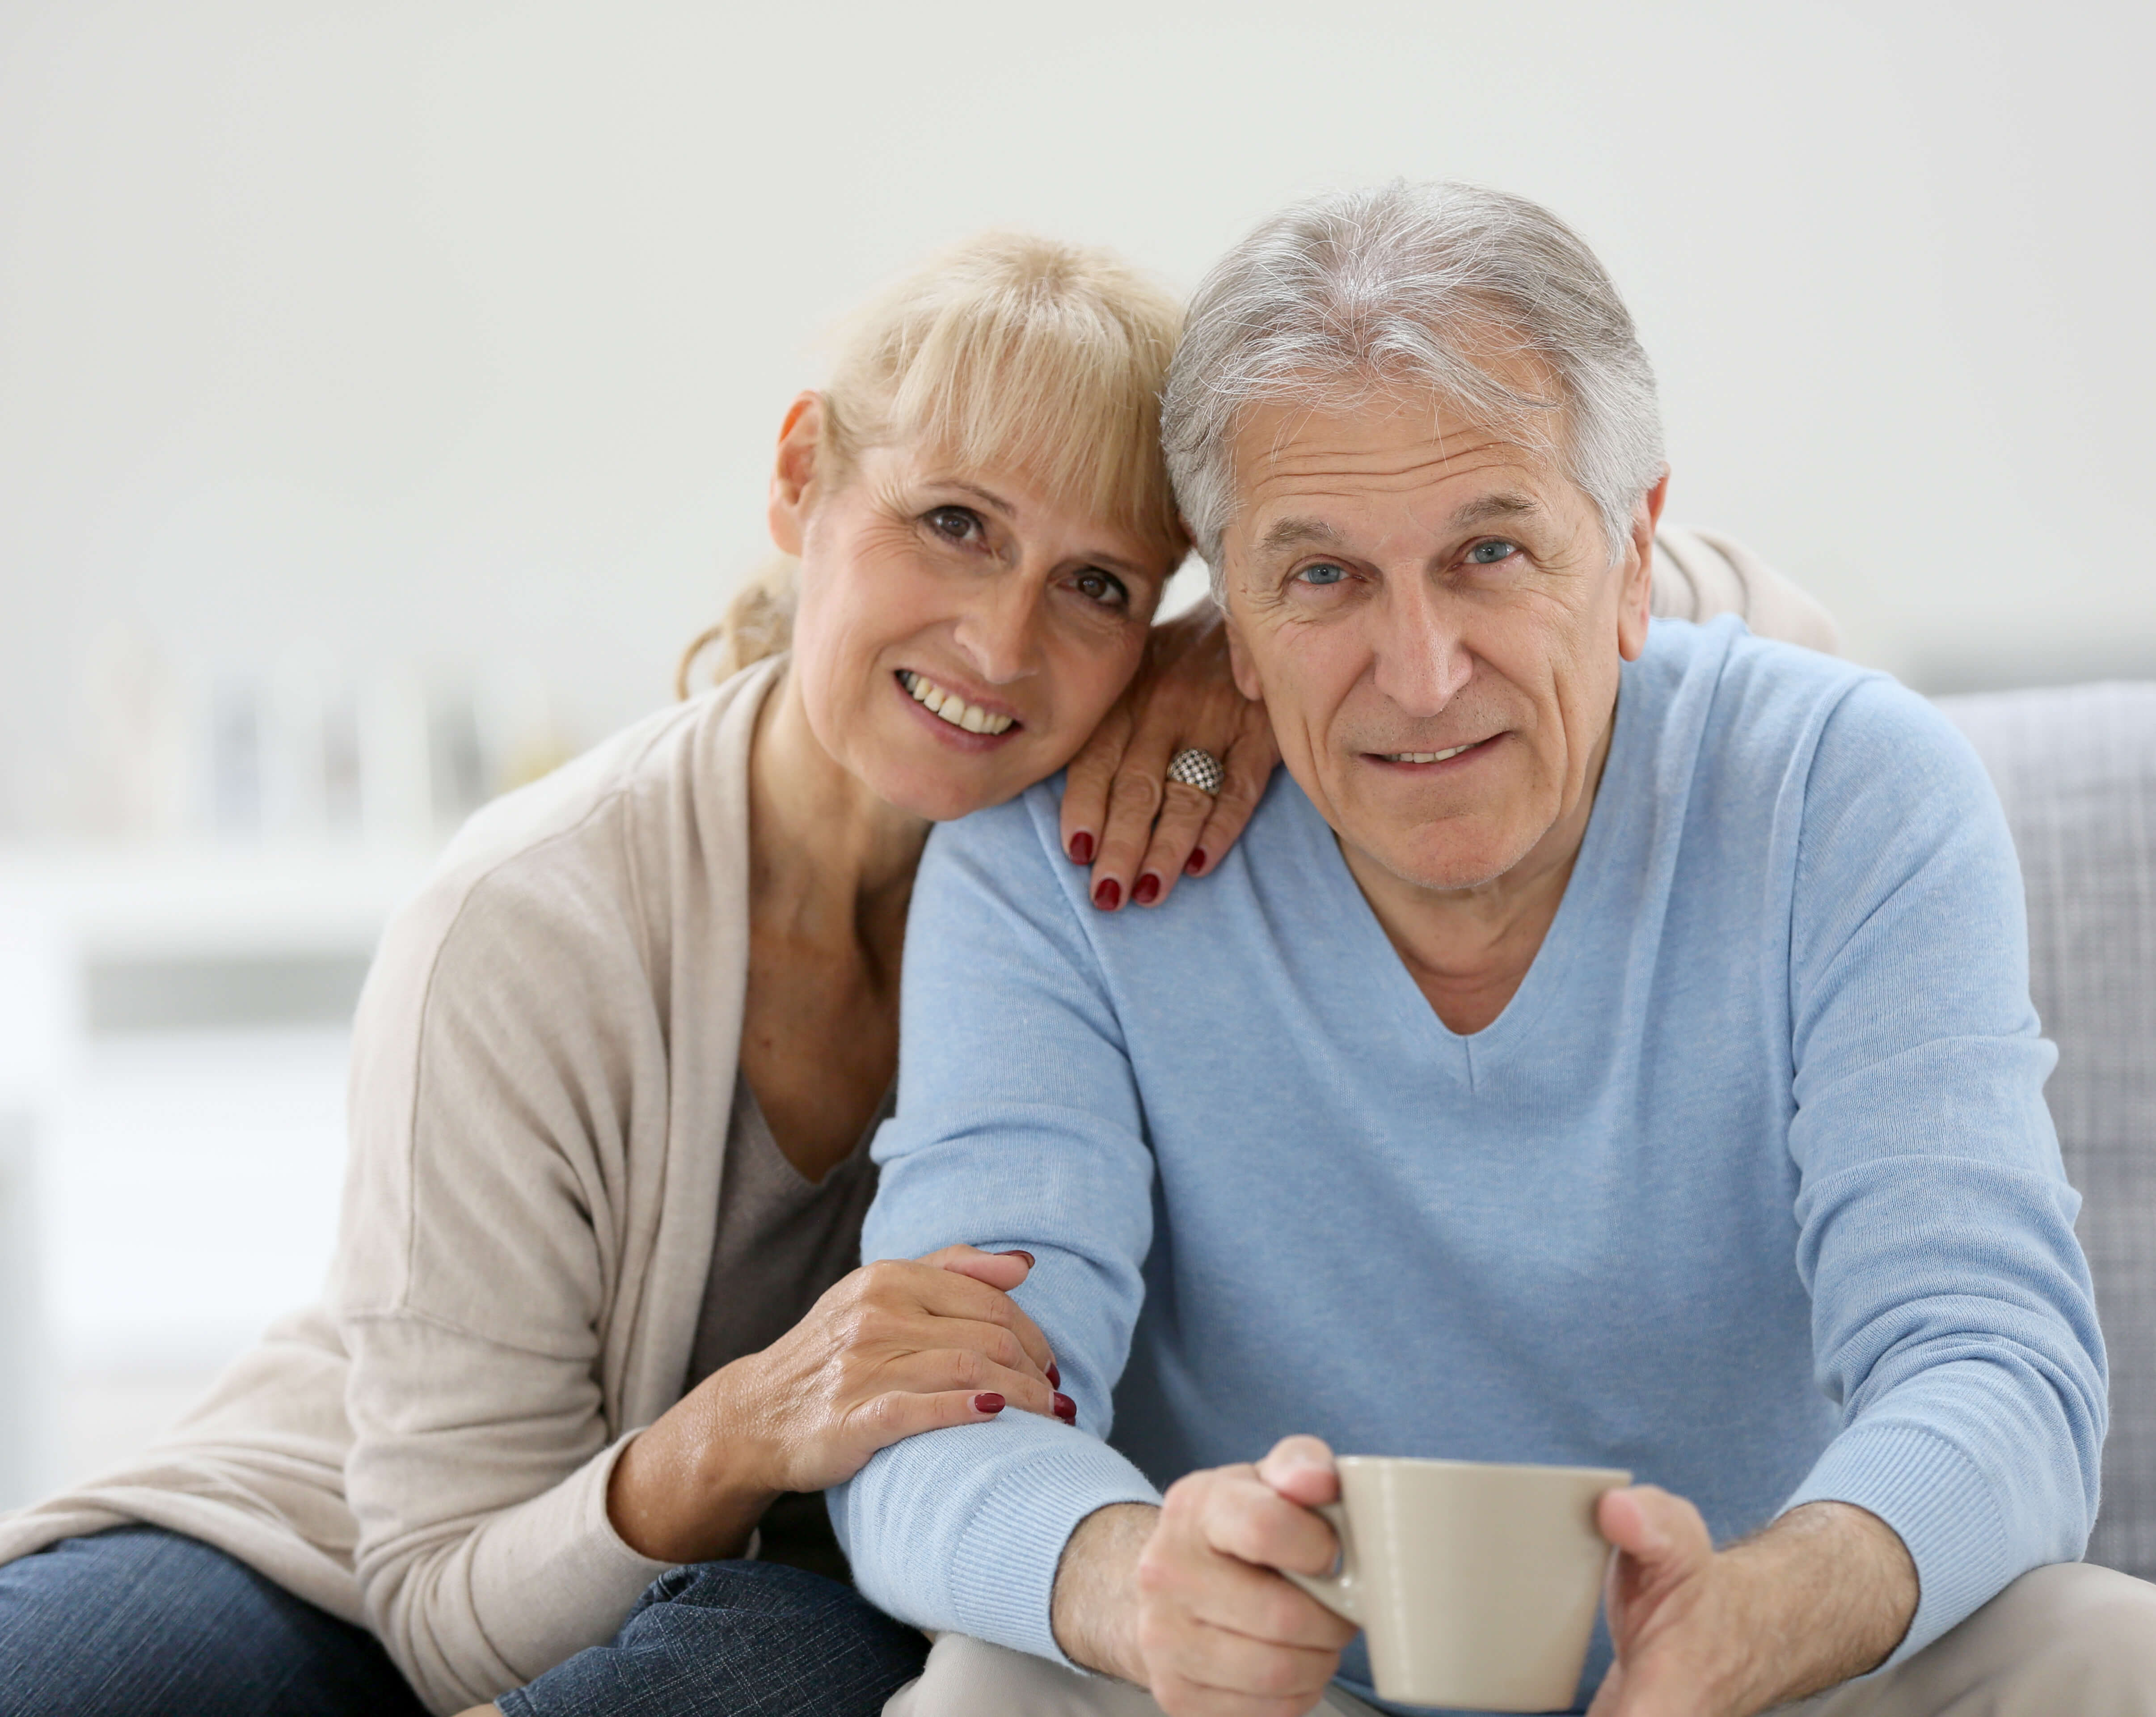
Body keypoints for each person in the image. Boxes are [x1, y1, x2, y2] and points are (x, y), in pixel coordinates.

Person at [832, 182, 2156, 1716]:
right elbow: (934, 1410)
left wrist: (1778, 1603)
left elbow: (1996, 1359)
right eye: (1322, 576)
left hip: (1758, 1680)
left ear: (1635, 555)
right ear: (1229, 621)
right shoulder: (1053, 867)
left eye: (1491, 553)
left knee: (2109, 1650)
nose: (1422, 675)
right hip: (1276, 1705)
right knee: (991, 1690)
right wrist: (1133, 1586)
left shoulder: (1850, 791)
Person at [0, 232, 1280, 1717]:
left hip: (777, 1606)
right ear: (803, 478)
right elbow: (434, 1611)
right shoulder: (529, 920)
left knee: (768, 1661)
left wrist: (1231, 667)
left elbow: (1572, 607)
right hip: (352, 1550)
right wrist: (740, 1427)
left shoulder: (1107, 888)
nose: (1001, 640)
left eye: (1101, 587)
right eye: (953, 523)